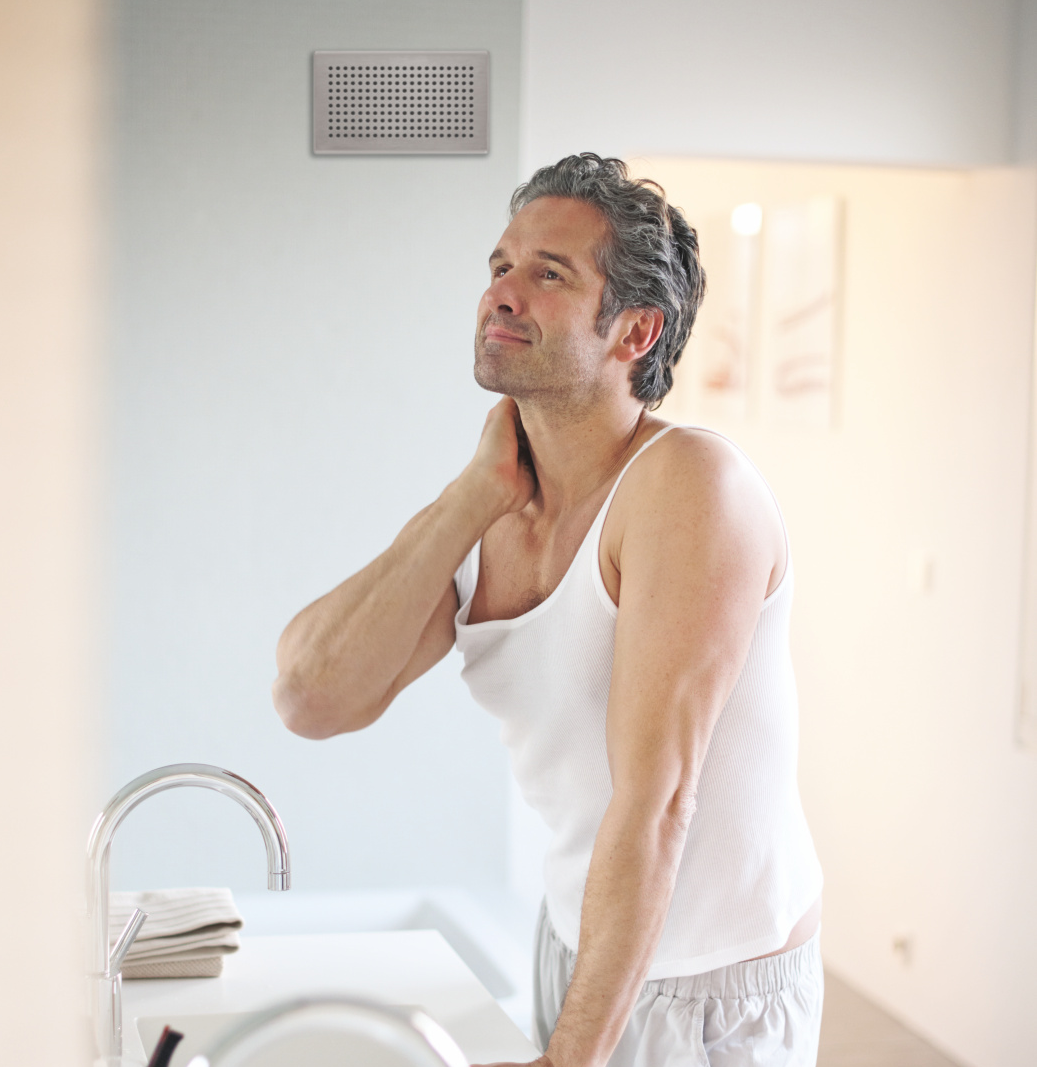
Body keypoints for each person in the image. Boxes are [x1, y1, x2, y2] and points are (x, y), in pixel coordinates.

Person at [272, 153, 824, 1067]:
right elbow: (309, 697)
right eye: (499, 265)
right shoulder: (495, 503)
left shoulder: (690, 486)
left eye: (548, 273)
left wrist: (567, 1062)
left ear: (634, 332)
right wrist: (466, 498)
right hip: (576, 942)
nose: (502, 293)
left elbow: (658, 801)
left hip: (708, 985)